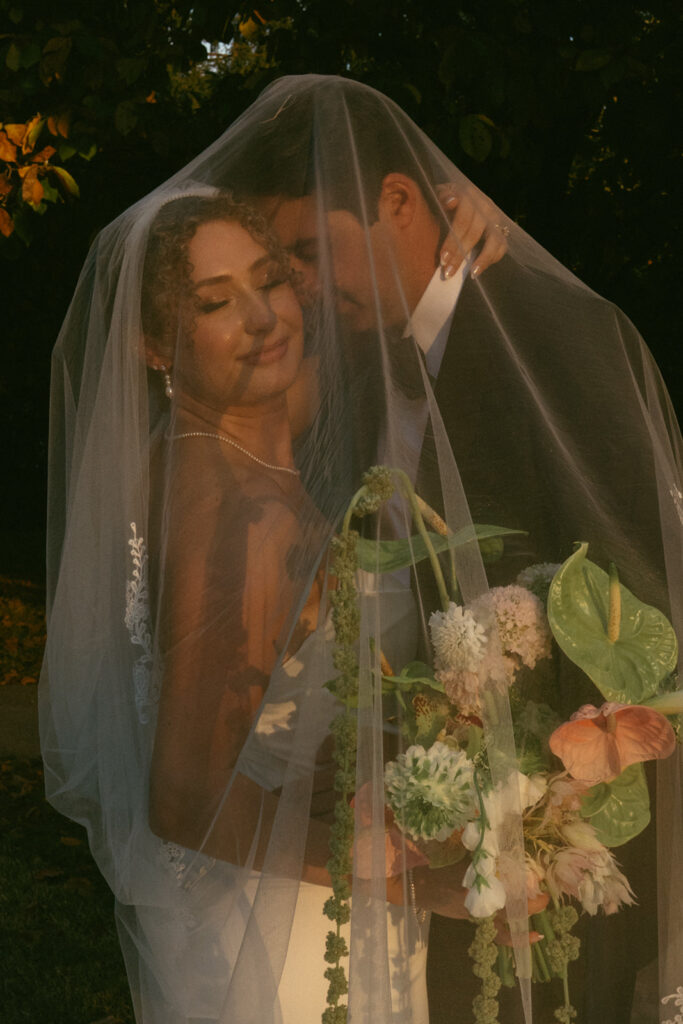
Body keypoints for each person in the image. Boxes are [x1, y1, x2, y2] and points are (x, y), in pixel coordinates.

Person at [40, 75, 682, 1024]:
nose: (283, 299)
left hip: (538, 885)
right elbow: (189, 784)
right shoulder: (270, 436)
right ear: (157, 343)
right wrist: (418, 868)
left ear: (395, 201)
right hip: (322, 915)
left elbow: (644, 601)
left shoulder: (547, 341)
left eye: (290, 260)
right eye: (236, 289)